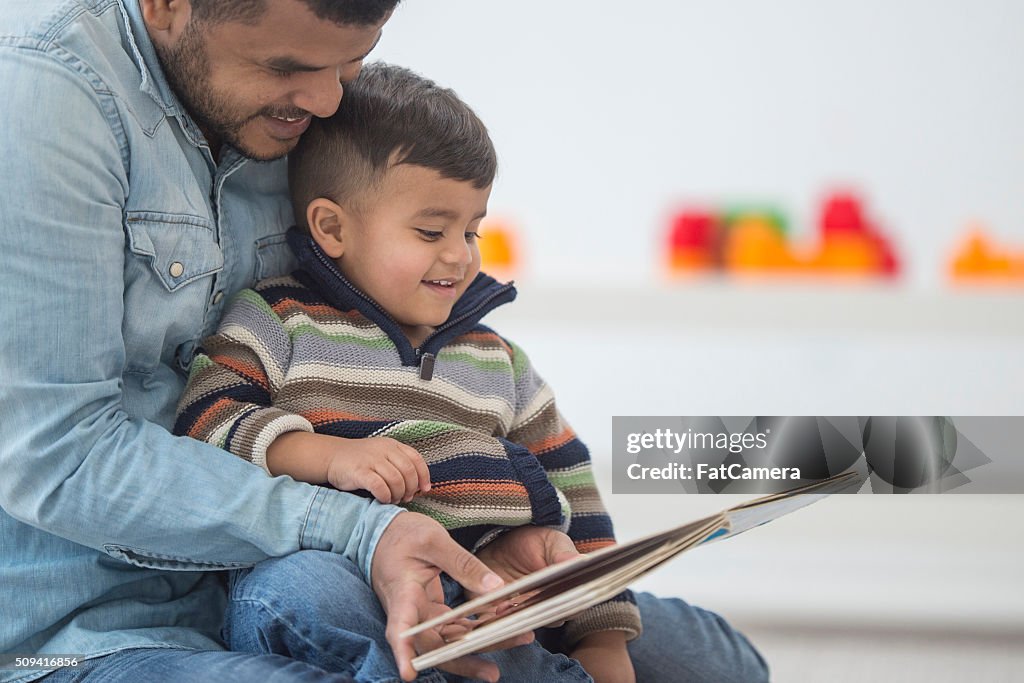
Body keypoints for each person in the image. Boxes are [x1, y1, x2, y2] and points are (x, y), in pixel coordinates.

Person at [173, 63, 770, 683]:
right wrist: (324, 455)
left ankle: (525, 661)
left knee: (717, 656)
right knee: (299, 592)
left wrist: (600, 636)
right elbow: (204, 420)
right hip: (349, 580)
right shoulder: (278, 319)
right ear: (332, 228)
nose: (459, 254)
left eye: (472, 229)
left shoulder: (496, 360)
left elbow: (577, 493)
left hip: (495, 592)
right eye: (432, 231)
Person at [0, 2, 537, 682]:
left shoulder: (292, 109)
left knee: (682, 644)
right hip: (70, 635)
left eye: (353, 60)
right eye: (287, 66)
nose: (328, 99)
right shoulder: (41, 88)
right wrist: (359, 530)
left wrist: (490, 525)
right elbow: (56, 455)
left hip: (266, 589)